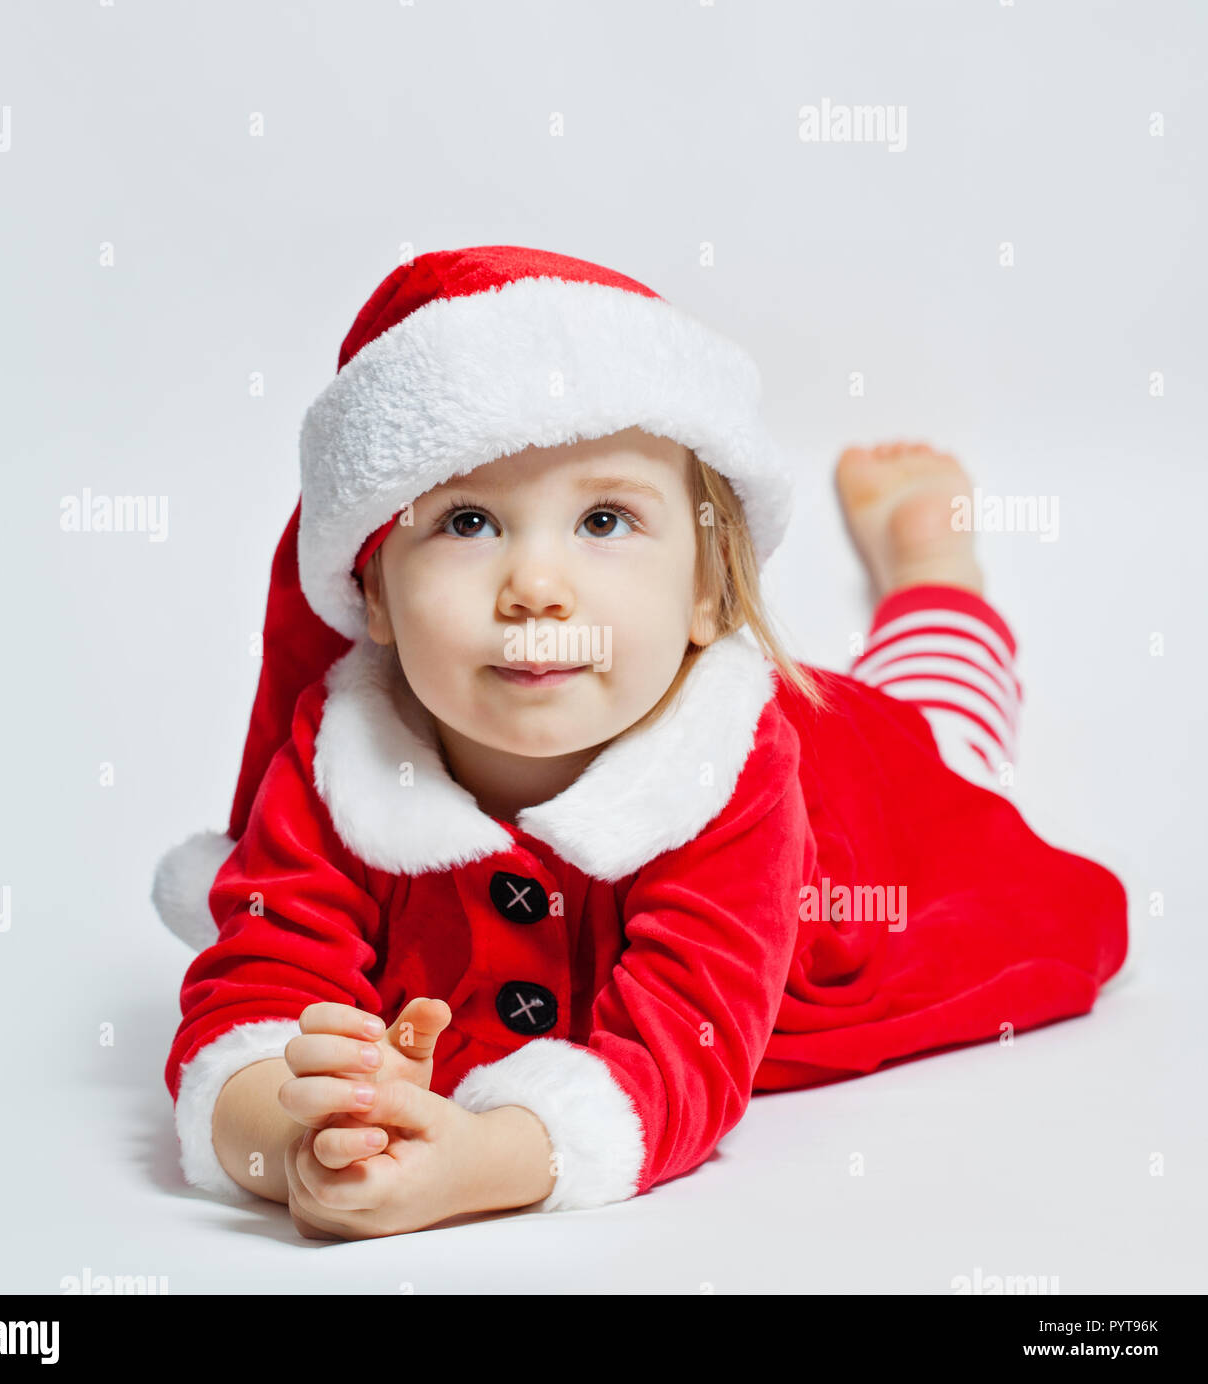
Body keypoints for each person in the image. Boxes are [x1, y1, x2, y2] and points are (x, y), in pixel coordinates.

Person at [152, 245, 1128, 1241]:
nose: (535, 585)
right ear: (374, 592)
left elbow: (684, 1041)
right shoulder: (339, 761)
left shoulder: (729, 770)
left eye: (604, 518)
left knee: (941, 724)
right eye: (469, 519)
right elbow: (259, 983)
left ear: (710, 590)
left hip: (857, 807)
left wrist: (483, 1163)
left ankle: (934, 573)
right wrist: (304, 1132)